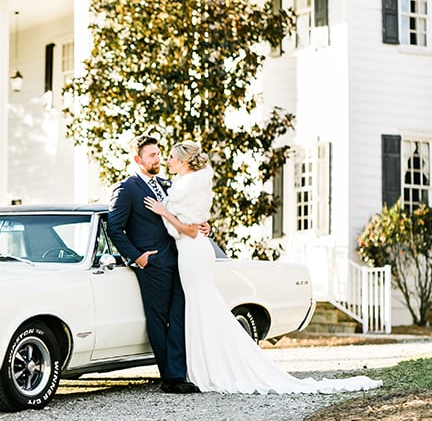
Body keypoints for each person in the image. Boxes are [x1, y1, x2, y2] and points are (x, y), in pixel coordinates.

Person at [144, 140, 383, 393]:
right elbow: (198, 221)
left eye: (171, 157)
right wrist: (201, 223)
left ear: (183, 162)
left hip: (193, 252)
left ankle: (211, 368)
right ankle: (200, 366)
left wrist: (163, 212)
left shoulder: (190, 186)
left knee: (201, 306)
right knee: (200, 307)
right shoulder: (186, 184)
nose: (167, 161)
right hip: (192, 252)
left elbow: (191, 229)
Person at [107, 134, 205, 394]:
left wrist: (205, 226)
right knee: (159, 319)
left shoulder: (166, 184)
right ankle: (170, 378)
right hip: (153, 265)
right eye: (152, 155)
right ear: (138, 159)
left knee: (179, 315)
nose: (158, 158)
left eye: (159, 153)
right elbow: (115, 229)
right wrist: (138, 257)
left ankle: (180, 372)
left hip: (182, 259)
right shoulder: (126, 188)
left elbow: (183, 216)